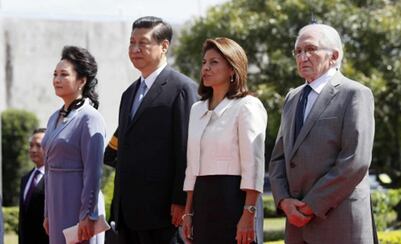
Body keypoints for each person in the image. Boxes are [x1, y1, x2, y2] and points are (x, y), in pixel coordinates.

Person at [268, 23, 375, 244]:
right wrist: (284, 201)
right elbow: (279, 157)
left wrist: (311, 205)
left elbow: (355, 161)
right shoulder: (292, 97)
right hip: (296, 224)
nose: (302, 57)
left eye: (310, 49)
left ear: (334, 56)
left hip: (340, 223)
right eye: (298, 51)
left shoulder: (355, 94)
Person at [109, 16, 197, 244]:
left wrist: (180, 200)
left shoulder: (182, 89)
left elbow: (186, 147)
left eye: (143, 43)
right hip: (128, 214)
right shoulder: (129, 94)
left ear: (164, 46)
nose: (135, 49)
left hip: (163, 213)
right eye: (131, 42)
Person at [182, 37, 267, 244]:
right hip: (202, 201)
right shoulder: (197, 109)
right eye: (204, 62)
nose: (206, 68)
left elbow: (253, 165)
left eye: (214, 62)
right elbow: (192, 166)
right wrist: (188, 212)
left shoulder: (247, 106)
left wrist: (248, 214)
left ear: (232, 69)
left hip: (233, 198)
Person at [41, 46, 106, 244]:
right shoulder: (54, 118)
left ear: (82, 81)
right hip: (56, 206)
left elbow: (93, 171)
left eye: (64, 75)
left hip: (79, 207)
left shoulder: (90, 118)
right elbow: (48, 169)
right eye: (55, 74)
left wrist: (88, 214)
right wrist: (47, 212)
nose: (57, 80)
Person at [18, 128, 49, 244]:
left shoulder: (55, 179)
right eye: (31, 146)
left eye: (38, 145)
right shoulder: (25, 179)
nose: (33, 150)